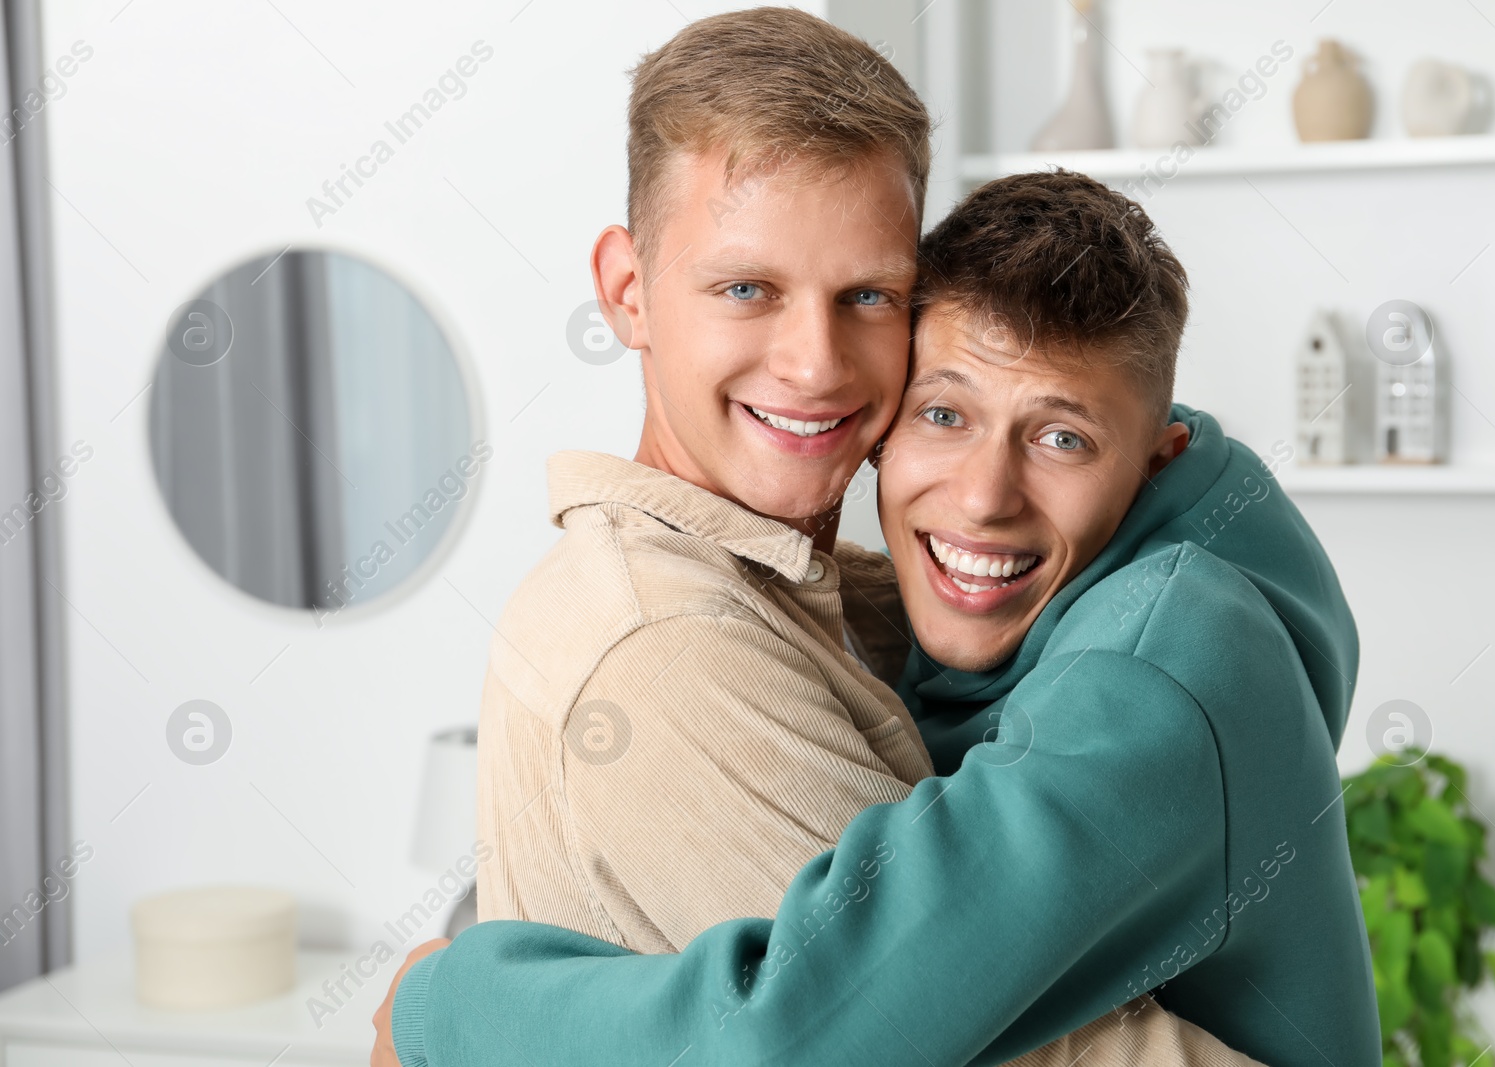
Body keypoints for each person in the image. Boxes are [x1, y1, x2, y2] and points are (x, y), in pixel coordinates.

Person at [370, 8, 1255, 1067]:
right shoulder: (663, 643)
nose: (815, 363)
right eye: (747, 289)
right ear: (626, 290)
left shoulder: (862, 595)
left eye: (867, 295)